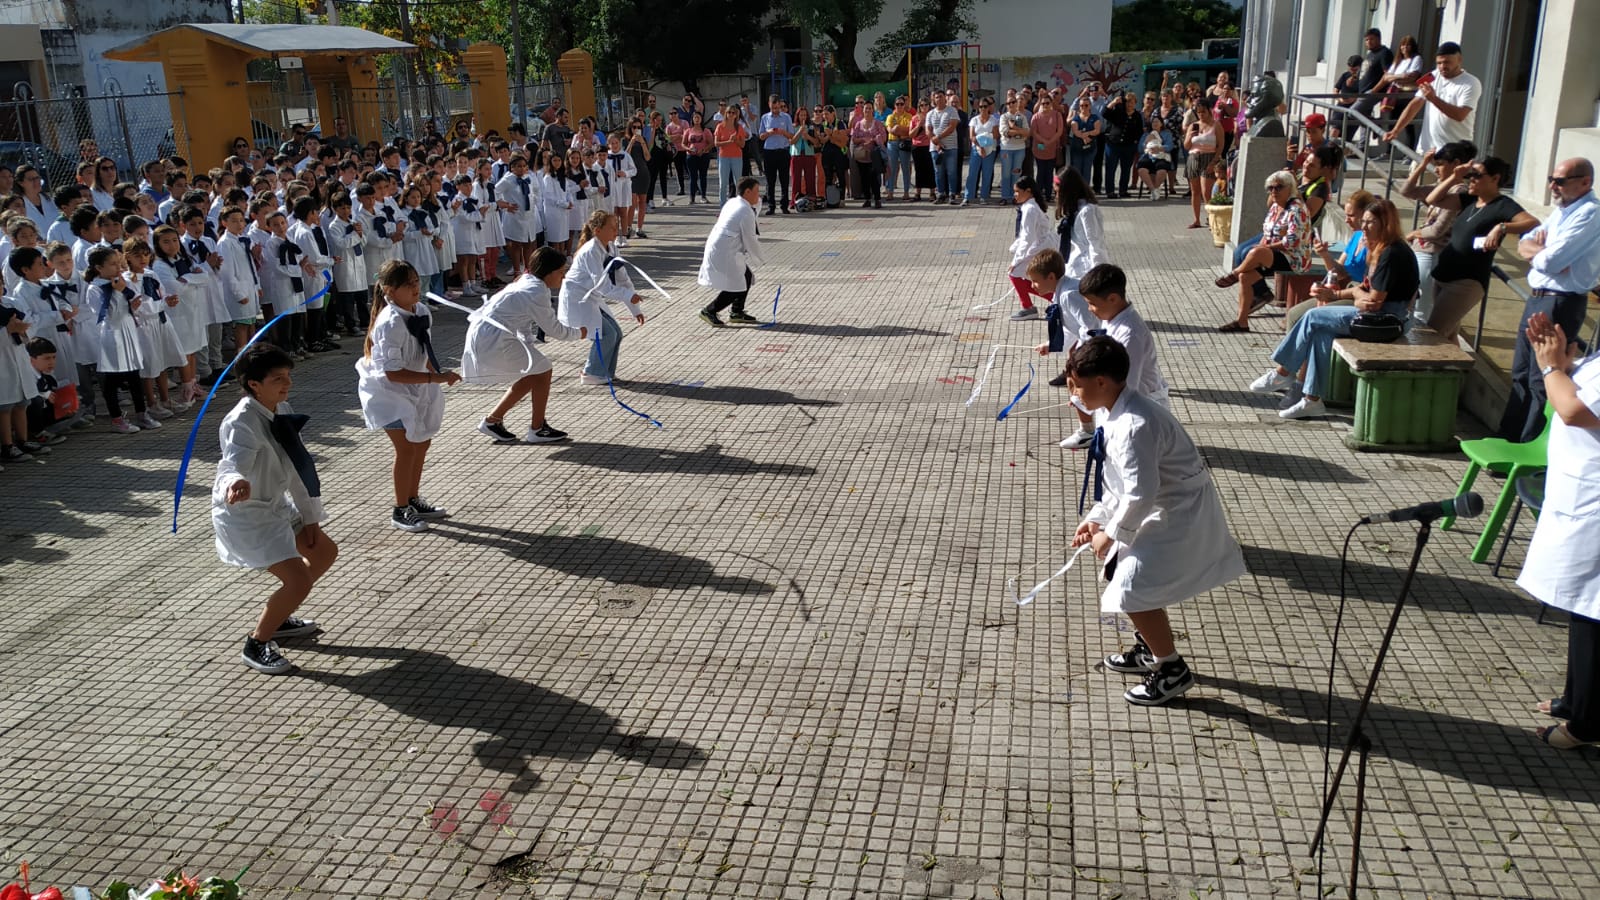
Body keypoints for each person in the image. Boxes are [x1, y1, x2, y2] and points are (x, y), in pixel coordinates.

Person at [1067, 336, 1245, 706]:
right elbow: (1117, 478)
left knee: (1130, 587)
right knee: (1127, 581)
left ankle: (1171, 669)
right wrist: (1097, 517)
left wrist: (1112, 535)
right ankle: (1150, 648)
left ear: (1102, 382)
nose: (1074, 394)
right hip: (1154, 506)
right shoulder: (1110, 410)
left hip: (1176, 511)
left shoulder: (1136, 424)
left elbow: (1140, 492)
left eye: (1077, 385)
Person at [212, 343, 337, 674]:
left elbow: (297, 467)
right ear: (254, 384)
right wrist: (235, 482)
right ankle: (257, 643)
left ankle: (279, 615)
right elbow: (232, 463)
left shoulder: (280, 408)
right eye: (278, 378)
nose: (287, 384)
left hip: (276, 504)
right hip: (246, 513)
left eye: (288, 376)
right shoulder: (241, 421)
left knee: (323, 551)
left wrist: (310, 516)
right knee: (298, 581)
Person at [1249, 198, 1419, 419]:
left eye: (1370, 222)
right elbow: (1362, 291)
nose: (1364, 227)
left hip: (1387, 320)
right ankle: (1312, 400)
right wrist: (1344, 294)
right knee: (1321, 331)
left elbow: (1373, 302)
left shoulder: (1392, 253)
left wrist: (1352, 295)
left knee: (1312, 316)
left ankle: (1283, 372)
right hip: (1379, 316)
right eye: (1364, 221)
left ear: (1385, 224)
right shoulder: (1379, 248)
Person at [1516, 311, 1600, 749]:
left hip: (1595, 507)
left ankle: (1586, 726)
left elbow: (1573, 409)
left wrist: (1552, 367)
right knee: (1579, 603)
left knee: (1593, 612)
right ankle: (1575, 699)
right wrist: (1567, 363)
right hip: (1580, 494)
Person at [1499, 158, 1600, 442]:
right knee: (1519, 371)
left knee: (1541, 376)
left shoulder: (1590, 213)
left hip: (1561, 301)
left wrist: (1541, 252)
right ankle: (1507, 438)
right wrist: (1538, 249)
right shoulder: (1561, 211)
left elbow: (1554, 261)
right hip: (1538, 297)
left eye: (1560, 181)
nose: (1553, 186)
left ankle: (1529, 445)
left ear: (1585, 182)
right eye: (1551, 179)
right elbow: (1524, 242)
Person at [355, 259, 460, 533]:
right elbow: (392, 373)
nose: (416, 288)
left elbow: (421, 351)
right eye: (408, 285)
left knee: (421, 443)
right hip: (388, 393)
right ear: (389, 291)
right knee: (406, 448)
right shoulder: (389, 323)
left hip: (415, 384)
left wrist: (436, 373)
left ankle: (413, 499)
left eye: (416, 282)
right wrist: (434, 378)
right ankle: (400, 509)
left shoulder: (421, 310)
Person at [464, 246, 588, 444]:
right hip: (493, 338)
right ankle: (537, 429)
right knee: (543, 370)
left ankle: (493, 421)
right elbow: (555, 330)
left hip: (488, 334)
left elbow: (522, 322)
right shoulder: (536, 291)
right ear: (548, 272)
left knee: (535, 371)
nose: (563, 276)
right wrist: (581, 332)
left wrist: (528, 344)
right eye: (560, 271)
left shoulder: (528, 281)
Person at [1419, 156, 1538, 341]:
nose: (1471, 179)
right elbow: (1432, 199)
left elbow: (1532, 222)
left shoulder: (1503, 205)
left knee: (1434, 334)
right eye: (1469, 175)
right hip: (1444, 275)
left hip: (1466, 281)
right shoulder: (1469, 200)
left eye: (1477, 175)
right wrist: (1455, 177)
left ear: (1495, 178)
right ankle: (1457, 369)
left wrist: (1502, 227)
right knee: (1448, 336)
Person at [1215, 170, 1312, 332]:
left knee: (1256, 253)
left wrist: (1264, 248)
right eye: (1270, 188)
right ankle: (1242, 321)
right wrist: (1263, 246)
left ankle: (1233, 274)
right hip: (1275, 254)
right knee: (1246, 276)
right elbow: (1267, 234)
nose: (1274, 191)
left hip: (1294, 258)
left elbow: (1292, 241)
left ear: (1290, 188)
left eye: (1279, 187)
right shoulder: (1275, 208)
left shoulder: (1297, 209)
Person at [557, 210, 645, 385]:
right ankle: (591, 372)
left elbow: (623, 279)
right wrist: (629, 296)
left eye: (616, 227)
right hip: (578, 298)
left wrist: (635, 310)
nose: (615, 230)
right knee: (606, 334)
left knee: (616, 333)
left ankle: (605, 373)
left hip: (592, 296)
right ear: (597, 230)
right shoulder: (590, 251)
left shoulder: (612, 248)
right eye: (611, 227)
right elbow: (603, 286)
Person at [1398, 141, 1475, 322]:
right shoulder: (1443, 187)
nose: (1437, 169)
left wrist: (1415, 233)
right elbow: (1406, 191)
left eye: (1440, 164)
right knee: (1412, 306)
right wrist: (1422, 165)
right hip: (1422, 251)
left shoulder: (1459, 191)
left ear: (1455, 164)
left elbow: (1437, 230)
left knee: (1421, 310)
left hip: (1433, 254)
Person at [1382, 42, 1480, 154]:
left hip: (1453, 154)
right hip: (1426, 150)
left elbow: (1460, 115)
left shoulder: (1471, 83)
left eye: (1447, 62)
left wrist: (1433, 99)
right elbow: (1415, 103)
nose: (1442, 67)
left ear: (1459, 59)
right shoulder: (1434, 75)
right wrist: (1396, 130)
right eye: (1439, 63)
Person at [698, 177, 766, 327]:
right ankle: (709, 310)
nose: (759, 196)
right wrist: (761, 259)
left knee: (745, 277)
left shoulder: (734, 202)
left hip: (722, 248)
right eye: (756, 192)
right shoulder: (744, 210)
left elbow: (755, 210)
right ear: (747, 192)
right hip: (724, 251)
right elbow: (750, 239)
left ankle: (737, 311)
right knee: (737, 285)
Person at [1350, 28, 1394, 146]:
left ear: (1378, 39)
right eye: (1366, 40)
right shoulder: (1370, 54)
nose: (1368, 42)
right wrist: (1354, 79)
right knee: (1364, 117)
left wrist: (1374, 90)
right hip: (1363, 91)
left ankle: (1376, 124)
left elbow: (1387, 74)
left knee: (1352, 112)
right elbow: (1365, 72)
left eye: (1371, 39)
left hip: (1373, 92)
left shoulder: (1384, 53)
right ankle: (1362, 146)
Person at [1183, 101, 1219, 229]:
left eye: (1203, 112)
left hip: (1209, 157)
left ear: (1209, 111)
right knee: (1195, 191)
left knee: (1206, 191)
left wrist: (1214, 162)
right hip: (1193, 157)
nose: (1201, 115)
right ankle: (1196, 219)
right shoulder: (1193, 126)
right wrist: (1190, 136)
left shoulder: (1216, 125)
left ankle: (1211, 218)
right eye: (1198, 112)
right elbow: (1186, 146)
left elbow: (1220, 146)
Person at [758, 94, 794, 215]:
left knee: (784, 180)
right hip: (769, 152)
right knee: (770, 180)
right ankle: (771, 206)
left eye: (777, 107)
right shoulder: (765, 118)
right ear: (769, 105)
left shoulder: (786, 117)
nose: (775, 110)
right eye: (773, 108)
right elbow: (761, 136)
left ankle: (784, 205)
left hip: (783, 151)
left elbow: (792, 135)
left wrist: (783, 132)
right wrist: (769, 133)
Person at [925, 90, 961, 204]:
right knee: (938, 172)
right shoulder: (930, 113)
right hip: (935, 148)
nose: (939, 99)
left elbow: (952, 126)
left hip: (950, 147)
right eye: (936, 97)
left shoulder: (952, 110)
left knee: (951, 171)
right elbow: (928, 130)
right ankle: (941, 194)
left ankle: (952, 194)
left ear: (945, 98)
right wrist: (936, 142)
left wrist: (939, 137)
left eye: (941, 96)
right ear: (933, 99)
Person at [962, 97, 1000, 206]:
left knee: (987, 174)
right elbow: (972, 136)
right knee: (972, 173)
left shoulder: (993, 120)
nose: (983, 108)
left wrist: (984, 141)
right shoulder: (974, 120)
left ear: (988, 107)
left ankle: (984, 196)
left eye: (985, 106)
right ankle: (968, 196)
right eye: (981, 107)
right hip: (976, 149)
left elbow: (996, 135)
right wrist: (981, 146)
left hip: (990, 150)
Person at [850, 110, 887, 210]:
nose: (867, 111)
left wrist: (873, 140)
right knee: (864, 178)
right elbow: (853, 138)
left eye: (869, 108)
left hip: (873, 155)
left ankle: (877, 200)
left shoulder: (878, 123)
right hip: (862, 156)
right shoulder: (858, 124)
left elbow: (883, 137)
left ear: (872, 111)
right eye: (865, 109)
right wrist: (862, 140)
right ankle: (867, 199)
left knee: (874, 178)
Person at [997, 95, 1030, 203]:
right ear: (1006, 105)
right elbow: (1005, 132)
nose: (1011, 104)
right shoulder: (1004, 117)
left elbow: (1027, 133)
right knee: (1006, 174)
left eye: (1013, 102)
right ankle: (1005, 196)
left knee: (1016, 173)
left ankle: (1015, 197)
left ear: (1017, 103)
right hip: (1006, 148)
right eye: (1008, 103)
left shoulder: (1022, 117)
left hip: (1019, 149)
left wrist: (1014, 128)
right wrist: (1019, 132)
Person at [884, 96, 914, 201]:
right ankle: (890, 192)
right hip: (892, 143)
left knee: (905, 167)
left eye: (902, 104)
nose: (900, 106)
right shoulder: (890, 117)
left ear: (904, 105)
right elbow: (890, 130)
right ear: (894, 105)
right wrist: (900, 130)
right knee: (891, 168)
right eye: (898, 104)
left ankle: (906, 192)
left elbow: (909, 130)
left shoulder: (909, 116)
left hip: (904, 143)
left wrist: (898, 129)